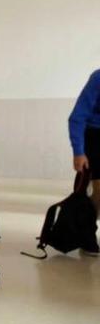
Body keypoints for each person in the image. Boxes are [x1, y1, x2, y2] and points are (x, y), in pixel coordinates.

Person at [69, 68, 100, 215]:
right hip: (95, 136)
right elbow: (77, 117)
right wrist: (78, 152)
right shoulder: (98, 78)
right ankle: (86, 228)